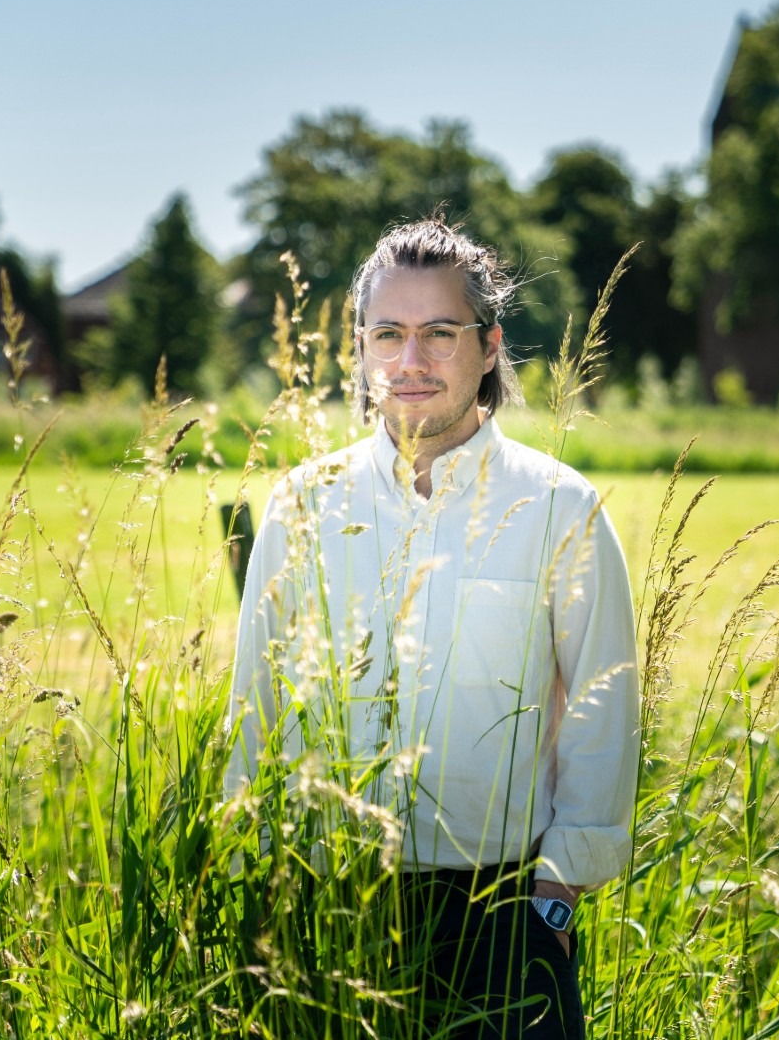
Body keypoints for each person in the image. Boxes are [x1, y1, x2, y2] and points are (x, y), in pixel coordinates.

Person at [224, 217, 640, 1039]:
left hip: (503, 917)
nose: (409, 362)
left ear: (488, 346)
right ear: (361, 348)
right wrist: (253, 880)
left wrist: (555, 900)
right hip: (331, 907)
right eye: (388, 334)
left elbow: (603, 708)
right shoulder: (304, 504)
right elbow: (257, 708)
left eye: (438, 334)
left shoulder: (561, 507)